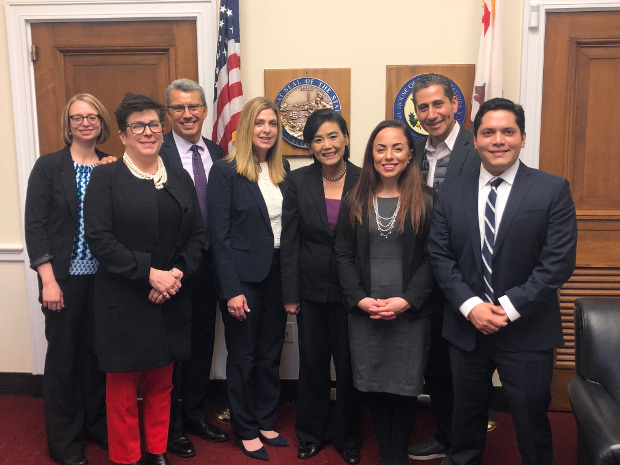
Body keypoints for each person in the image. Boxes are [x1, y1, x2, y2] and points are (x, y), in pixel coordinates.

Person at [427, 98, 578, 465]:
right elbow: (439, 255)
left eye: (508, 132)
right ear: (475, 140)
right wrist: (472, 306)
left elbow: (557, 263)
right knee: (464, 421)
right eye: (488, 132)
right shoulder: (450, 191)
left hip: (527, 330)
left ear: (523, 138)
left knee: (531, 421)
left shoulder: (551, 189)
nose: (498, 140)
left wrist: (507, 309)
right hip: (467, 328)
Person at [84, 93, 206, 465]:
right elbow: (100, 239)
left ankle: (156, 451)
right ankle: (127, 457)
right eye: (138, 125)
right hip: (124, 298)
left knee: (162, 383)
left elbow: (198, 234)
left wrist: (175, 275)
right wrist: (149, 275)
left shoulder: (180, 177)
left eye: (154, 123)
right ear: (123, 135)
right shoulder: (106, 177)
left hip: (170, 295)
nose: (148, 131)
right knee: (121, 389)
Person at [335, 120, 434, 465]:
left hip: (409, 312)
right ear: (371, 154)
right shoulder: (356, 198)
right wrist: (360, 299)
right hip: (367, 310)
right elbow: (343, 255)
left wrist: (407, 300)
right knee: (374, 382)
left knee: (406, 384)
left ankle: (400, 455)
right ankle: (386, 454)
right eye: (380, 148)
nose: (388, 155)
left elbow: (433, 259)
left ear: (410, 154)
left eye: (396, 148)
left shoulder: (427, 200)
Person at [25, 93, 112, 465]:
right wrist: (48, 279)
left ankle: (94, 423)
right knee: (63, 361)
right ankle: (64, 441)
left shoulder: (113, 166)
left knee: (98, 358)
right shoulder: (48, 167)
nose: (85, 122)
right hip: (62, 282)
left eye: (92, 116)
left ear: (102, 121)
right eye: (77, 117)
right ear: (68, 123)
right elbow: (36, 226)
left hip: (106, 283)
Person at [207, 97, 290, 461]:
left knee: (271, 353)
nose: (267, 130)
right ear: (246, 128)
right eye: (259, 123)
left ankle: (266, 418)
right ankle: (244, 427)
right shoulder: (225, 171)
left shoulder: (281, 167)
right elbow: (219, 236)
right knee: (244, 354)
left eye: (272, 123)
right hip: (243, 278)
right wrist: (231, 290)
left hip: (276, 274)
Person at [280, 109, 361, 464]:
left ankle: (347, 437)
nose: (326, 145)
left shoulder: (366, 178)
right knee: (312, 365)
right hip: (310, 291)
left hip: (353, 292)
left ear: (345, 137)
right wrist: (290, 295)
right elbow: (291, 241)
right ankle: (311, 434)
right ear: (309, 146)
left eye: (332, 136)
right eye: (317, 139)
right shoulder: (298, 182)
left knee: (348, 367)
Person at [407, 73, 481, 462]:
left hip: (466, 274)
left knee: (465, 364)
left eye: (438, 104)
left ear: (454, 104)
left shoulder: (477, 144)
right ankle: (446, 434)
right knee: (434, 361)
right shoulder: (414, 150)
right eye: (423, 107)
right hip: (423, 273)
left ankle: (467, 439)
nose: (432, 113)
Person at [160, 78, 228, 458]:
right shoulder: (157, 151)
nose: (187, 114)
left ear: (205, 111)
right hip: (172, 269)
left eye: (194, 107)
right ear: (168, 113)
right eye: (178, 108)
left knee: (203, 344)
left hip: (210, 265)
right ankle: (170, 428)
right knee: (172, 352)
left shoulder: (218, 152)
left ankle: (196, 415)